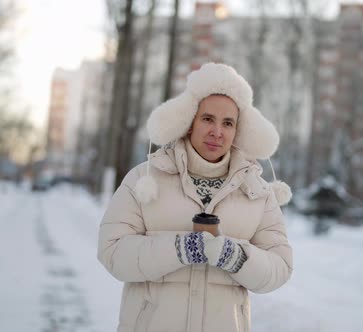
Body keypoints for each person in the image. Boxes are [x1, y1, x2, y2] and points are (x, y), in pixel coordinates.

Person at [97, 63, 293, 332]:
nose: (217, 132)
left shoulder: (257, 193)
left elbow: (280, 267)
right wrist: (180, 249)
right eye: (207, 119)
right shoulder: (144, 179)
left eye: (228, 123)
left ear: (238, 130)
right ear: (190, 121)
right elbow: (112, 252)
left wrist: (233, 256)